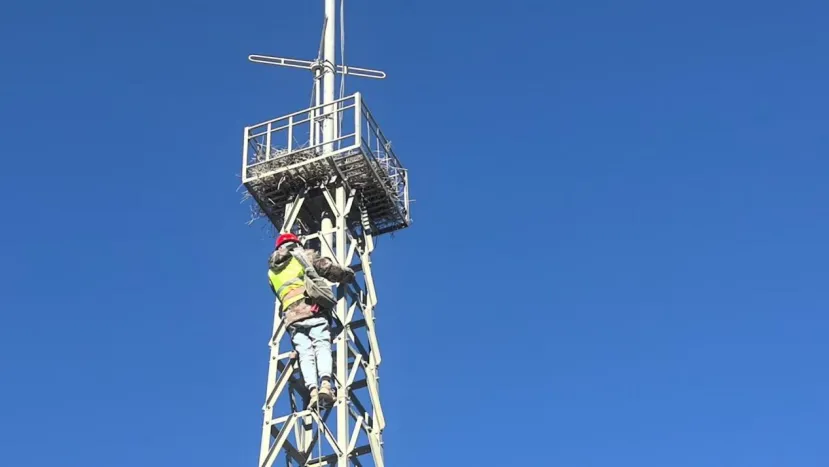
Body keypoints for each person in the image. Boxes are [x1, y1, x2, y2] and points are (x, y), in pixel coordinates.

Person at [267, 232, 355, 408]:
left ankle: (313, 392)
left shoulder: (271, 272)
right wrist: (348, 275)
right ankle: (325, 385)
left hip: (291, 319)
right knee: (321, 345)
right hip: (311, 310)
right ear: (296, 244)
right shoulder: (303, 256)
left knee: (305, 354)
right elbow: (328, 269)